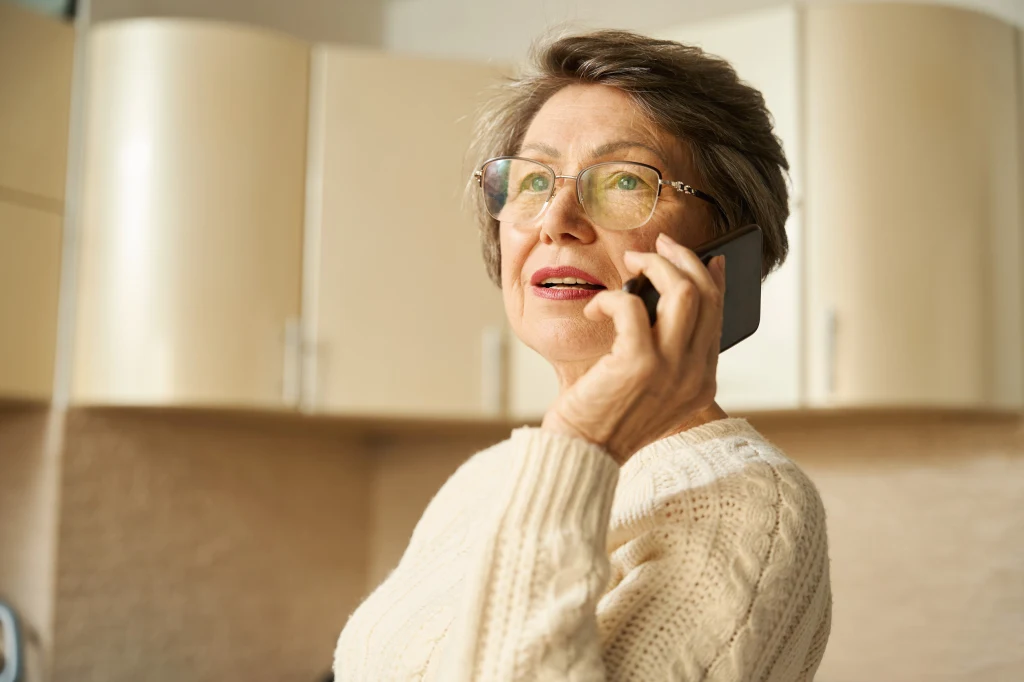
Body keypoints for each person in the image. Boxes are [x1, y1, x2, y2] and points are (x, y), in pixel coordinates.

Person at [334, 29, 831, 681]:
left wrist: (584, 440)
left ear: (726, 249)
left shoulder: (749, 503)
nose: (556, 219)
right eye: (533, 180)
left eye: (625, 180)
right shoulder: (488, 476)